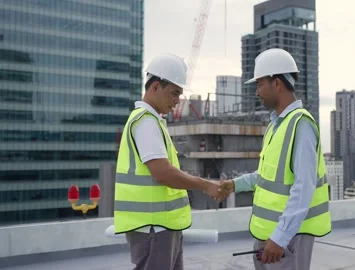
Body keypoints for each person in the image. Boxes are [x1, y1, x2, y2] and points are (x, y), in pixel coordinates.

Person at [219, 48, 332, 270]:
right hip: (270, 236)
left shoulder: (301, 125)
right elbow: (267, 176)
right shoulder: (275, 126)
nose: (257, 92)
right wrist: (235, 184)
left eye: (260, 84)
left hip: (288, 237)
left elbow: (304, 187)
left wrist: (280, 236)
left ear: (277, 83)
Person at [113, 53, 227, 270]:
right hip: (153, 228)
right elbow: (163, 173)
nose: (177, 101)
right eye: (174, 93)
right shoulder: (145, 122)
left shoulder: (153, 121)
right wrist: (206, 185)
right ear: (155, 87)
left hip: (159, 227)